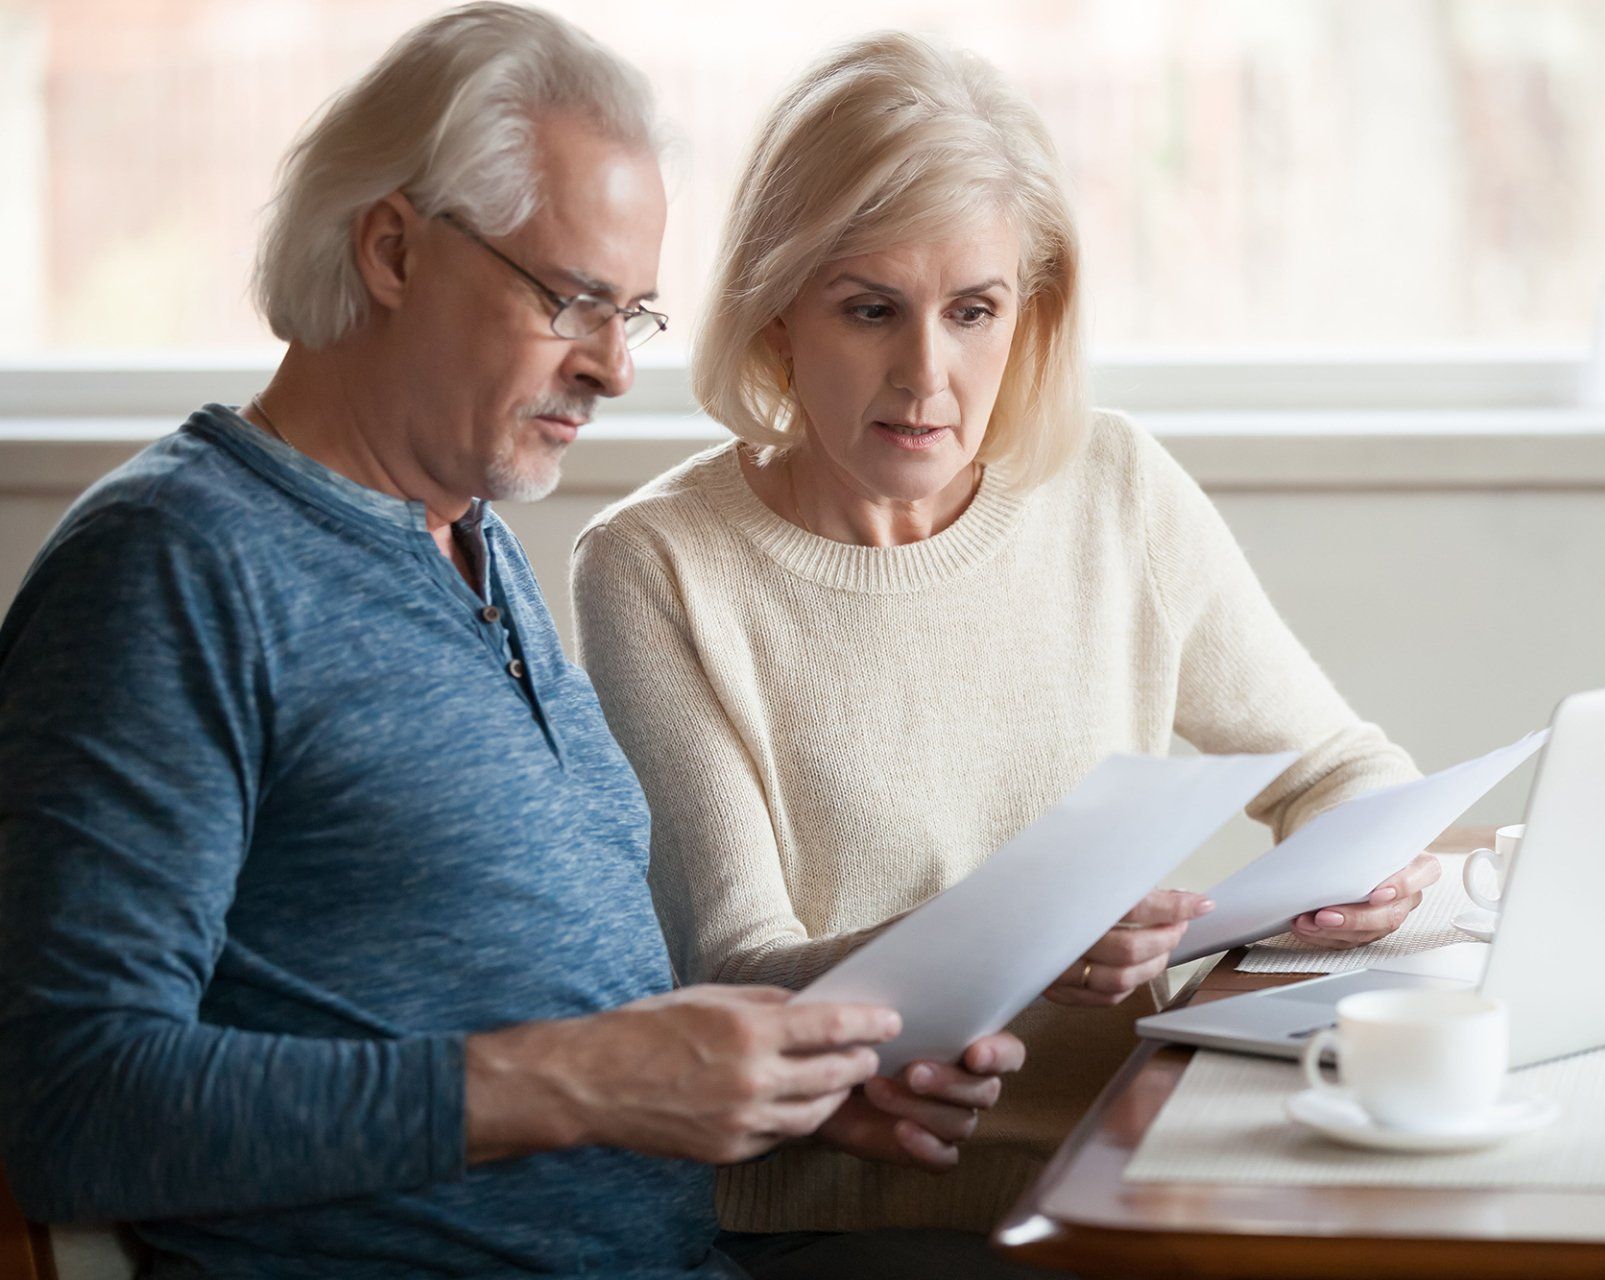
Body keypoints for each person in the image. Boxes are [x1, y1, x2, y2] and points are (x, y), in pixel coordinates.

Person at [0, 8, 1027, 1278]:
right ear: (392, 249)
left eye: (633, 313)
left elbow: (515, 1038)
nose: (611, 368)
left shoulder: (470, 543)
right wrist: (580, 1079)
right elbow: (76, 1108)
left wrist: (773, 1102)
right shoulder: (172, 567)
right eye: (574, 300)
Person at [569, 30, 1440, 1271]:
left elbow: (1344, 764)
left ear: (1028, 315)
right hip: (850, 1216)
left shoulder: (1116, 486)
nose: (928, 376)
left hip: (1131, 1168)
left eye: (973, 311)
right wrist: (1034, 928)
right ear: (777, 310)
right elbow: (743, 967)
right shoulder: (656, 565)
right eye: (870, 309)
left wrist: (1366, 857)